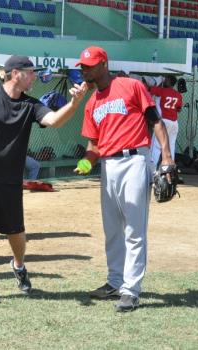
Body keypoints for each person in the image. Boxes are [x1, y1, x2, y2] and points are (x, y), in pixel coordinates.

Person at [0, 55, 88, 303]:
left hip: (11, 180)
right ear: (16, 74)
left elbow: (54, 120)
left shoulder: (31, 105)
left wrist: (74, 104)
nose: (35, 76)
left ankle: (19, 265)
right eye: (31, 72)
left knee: (16, 231)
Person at [74, 46, 174, 312]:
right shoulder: (92, 102)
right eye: (82, 66)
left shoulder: (131, 86)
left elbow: (156, 121)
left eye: (89, 65)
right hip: (108, 165)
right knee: (112, 229)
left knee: (134, 229)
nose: (84, 70)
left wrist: (167, 158)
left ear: (103, 64)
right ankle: (115, 281)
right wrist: (86, 161)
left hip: (134, 160)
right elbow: (93, 144)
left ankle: (130, 290)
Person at [149, 75, 183, 168]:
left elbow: (150, 89)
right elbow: (179, 109)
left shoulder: (163, 90)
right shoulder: (178, 95)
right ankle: (170, 168)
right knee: (171, 146)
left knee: (156, 145)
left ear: (169, 82)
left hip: (164, 122)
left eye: (166, 79)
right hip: (174, 123)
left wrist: (160, 82)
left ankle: (151, 169)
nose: (165, 80)